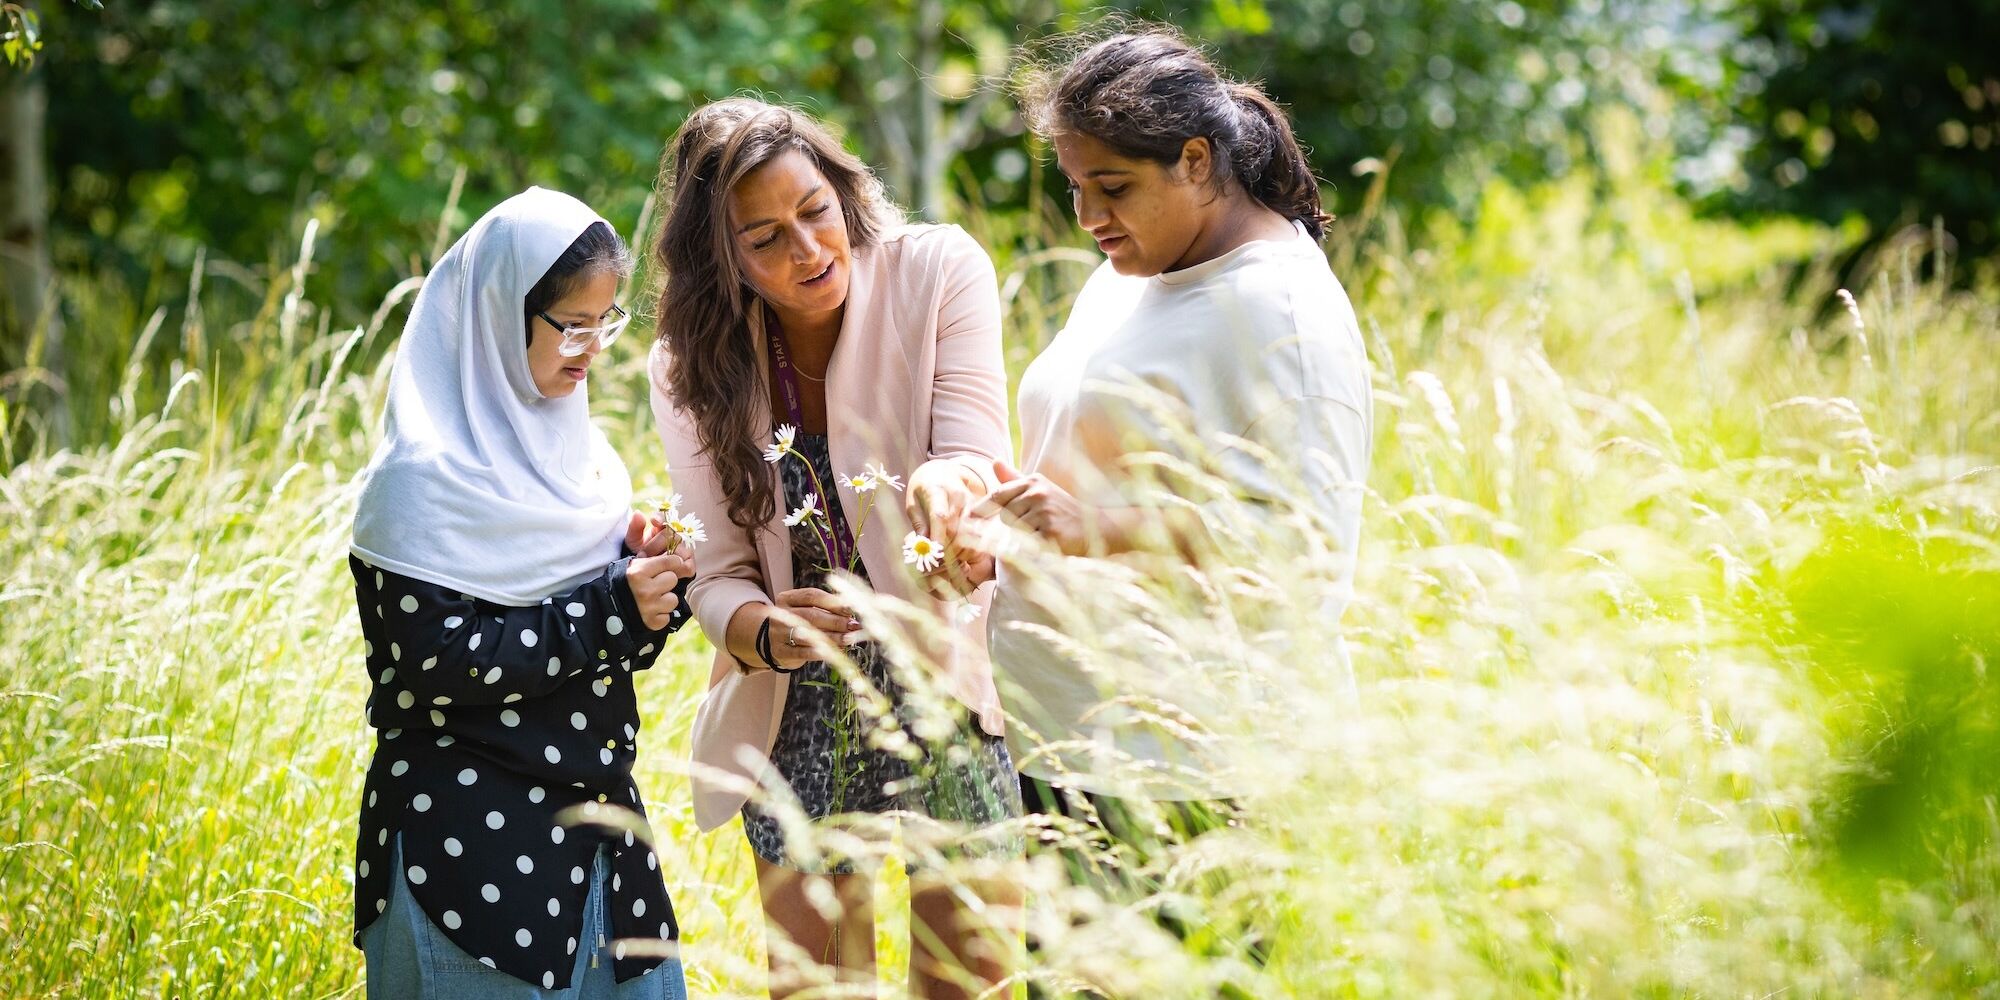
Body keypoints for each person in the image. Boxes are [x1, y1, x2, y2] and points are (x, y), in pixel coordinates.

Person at [647, 98, 1022, 999]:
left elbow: (974, 448)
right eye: (764, 238)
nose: (807, 251)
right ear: (721, 257)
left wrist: (948, 486)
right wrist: (766, 631)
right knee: (816, 987)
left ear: (843, 192)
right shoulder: (686, 362)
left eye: (815, 212)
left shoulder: (938, 269)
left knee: (968, 980)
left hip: (942, 676)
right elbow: (718, 576)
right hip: (795, 695)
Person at [980, 25, 1373, 874]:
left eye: (1111, 186)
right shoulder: (1141, 267)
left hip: (1189, 774)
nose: (1087, 217)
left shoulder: (1281, 316)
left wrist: (1092, 528)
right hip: (1067, 745)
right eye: (1078, 185)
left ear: (1196, 161)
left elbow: (1305, 560)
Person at [349, 187, 695, 998]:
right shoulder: (419, 482)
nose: (592, 349)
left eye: (604, 323)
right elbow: (441, 664)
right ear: (499, 317)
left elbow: (594, 648)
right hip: (470, 854)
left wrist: (649, 588)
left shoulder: (579, 459)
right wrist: (609, 607)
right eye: (573, 326)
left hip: (606, 852)